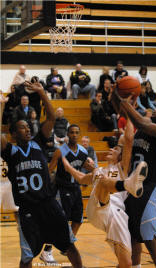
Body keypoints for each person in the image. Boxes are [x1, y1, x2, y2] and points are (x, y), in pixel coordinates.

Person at [0, 84, 84, 268]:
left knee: (69, 246)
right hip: (28, 209)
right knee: (27, 257)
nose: (28, 129)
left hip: (49, 204)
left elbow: (52, 117)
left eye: (28, 127)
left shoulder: (38, 143)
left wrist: (41, 92)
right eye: (23, 128)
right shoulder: (11, 152)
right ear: (14, 133)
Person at [61, 118, 148, 268]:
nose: (111, 149)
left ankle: (126, 184)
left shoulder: (121, 168)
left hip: (116, 213)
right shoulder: (98, 171)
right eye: (112, 148)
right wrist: (67, 165)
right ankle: (127, 184)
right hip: (98, 207)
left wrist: (128, 115)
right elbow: (81, 178)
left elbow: (128, 140)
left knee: (126, 263)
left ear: (120, 157)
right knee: (102, 181)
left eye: (115, 150)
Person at [111, 89, 156, 268]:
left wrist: (124, 102)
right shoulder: (146, 123)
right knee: (132, 234)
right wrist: (115, 95)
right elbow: (123, 111)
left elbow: (139, 121)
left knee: (149, 237)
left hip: (150, 188)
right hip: (133, 185)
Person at [40, 125, 93, 262]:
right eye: (72, 132)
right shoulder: (60, 151)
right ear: (68, 134)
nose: (74, 135)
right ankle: (47, 251)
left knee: (78, 220)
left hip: (76, 188)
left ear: (79, 134)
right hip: (62, 189)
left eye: (77, 132)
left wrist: (94, 169)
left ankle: (66, 247)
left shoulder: (83, 151)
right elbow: (49, 169)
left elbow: (86, 167)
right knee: (60, 221)